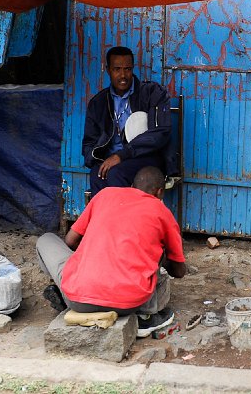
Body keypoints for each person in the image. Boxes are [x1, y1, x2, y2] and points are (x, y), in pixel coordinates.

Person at [36, 166, 186, 337]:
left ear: (131, 186)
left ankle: (65, 296)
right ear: (160, 192)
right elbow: (179, 271)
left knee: (46, 239)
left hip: (78, 299)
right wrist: (164, 258)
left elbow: (70, 241)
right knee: (156, 251)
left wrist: (95, 250)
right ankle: (145, 316)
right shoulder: (162, 212)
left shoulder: (105, 194)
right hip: (129, 303)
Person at [82, 45, 173, 197]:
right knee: (97, 174)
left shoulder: (152, 93)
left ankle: (124, 220)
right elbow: (89, 143)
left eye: (127, 69)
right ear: (108, 70)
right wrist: (98, 159)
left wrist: (122, 155)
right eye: (117, 69)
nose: (123, 75)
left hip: (146, 157)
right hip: (113, 159)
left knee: (115, 173)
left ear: (133, 69)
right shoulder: (98, 103)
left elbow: (160, 133)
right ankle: (104, 221)